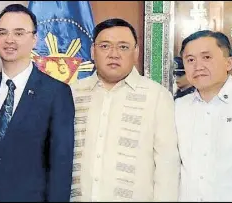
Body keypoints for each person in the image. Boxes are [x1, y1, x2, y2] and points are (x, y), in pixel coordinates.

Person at [70, 18, 180, 201]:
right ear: (92, 51)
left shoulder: (157, 96)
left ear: (136, 52)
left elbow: (167, 166)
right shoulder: (73, 93)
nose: (114, 54)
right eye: (105, 46)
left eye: (123, 47)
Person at [0, 4, 75, 202]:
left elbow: (61, 166)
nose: (9, 40)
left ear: (34, 39)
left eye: (19, 33)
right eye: (2, 32)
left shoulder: (56, 93)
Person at [175, 30, 232, 202]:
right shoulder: (178, 107)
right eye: (190, 60)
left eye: (207, 57)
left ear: (228, 63)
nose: (198, 66)